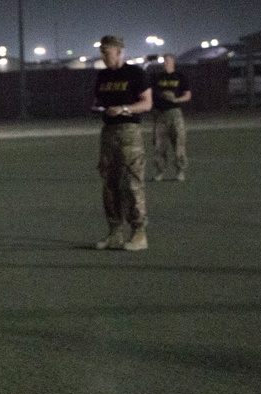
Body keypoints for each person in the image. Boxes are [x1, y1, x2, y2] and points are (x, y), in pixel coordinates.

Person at [91, 35, 153, 251]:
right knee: (109, 184)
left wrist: (124, 109)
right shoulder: (102, 76)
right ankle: (115, 232)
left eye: (105, 52)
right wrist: (99, 107)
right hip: (108, 133)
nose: (102, 56)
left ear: (118, 51)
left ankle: (138, 233)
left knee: (132, 183)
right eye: (101, 52)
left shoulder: (135, 73)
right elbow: (100, 100)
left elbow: (146, 103)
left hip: (129, 132)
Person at [151, 54, 191, 182]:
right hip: (160, 114)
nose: (165, 64)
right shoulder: (157, 77)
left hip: (174, 113)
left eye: (167, 61)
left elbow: (188, 95)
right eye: (164, 61)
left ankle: (180, 171)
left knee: (179, 143)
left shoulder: (179, 77)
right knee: (159, 145)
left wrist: (176, 99)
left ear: (173, 62)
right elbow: (152, 94)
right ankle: (160, 171)